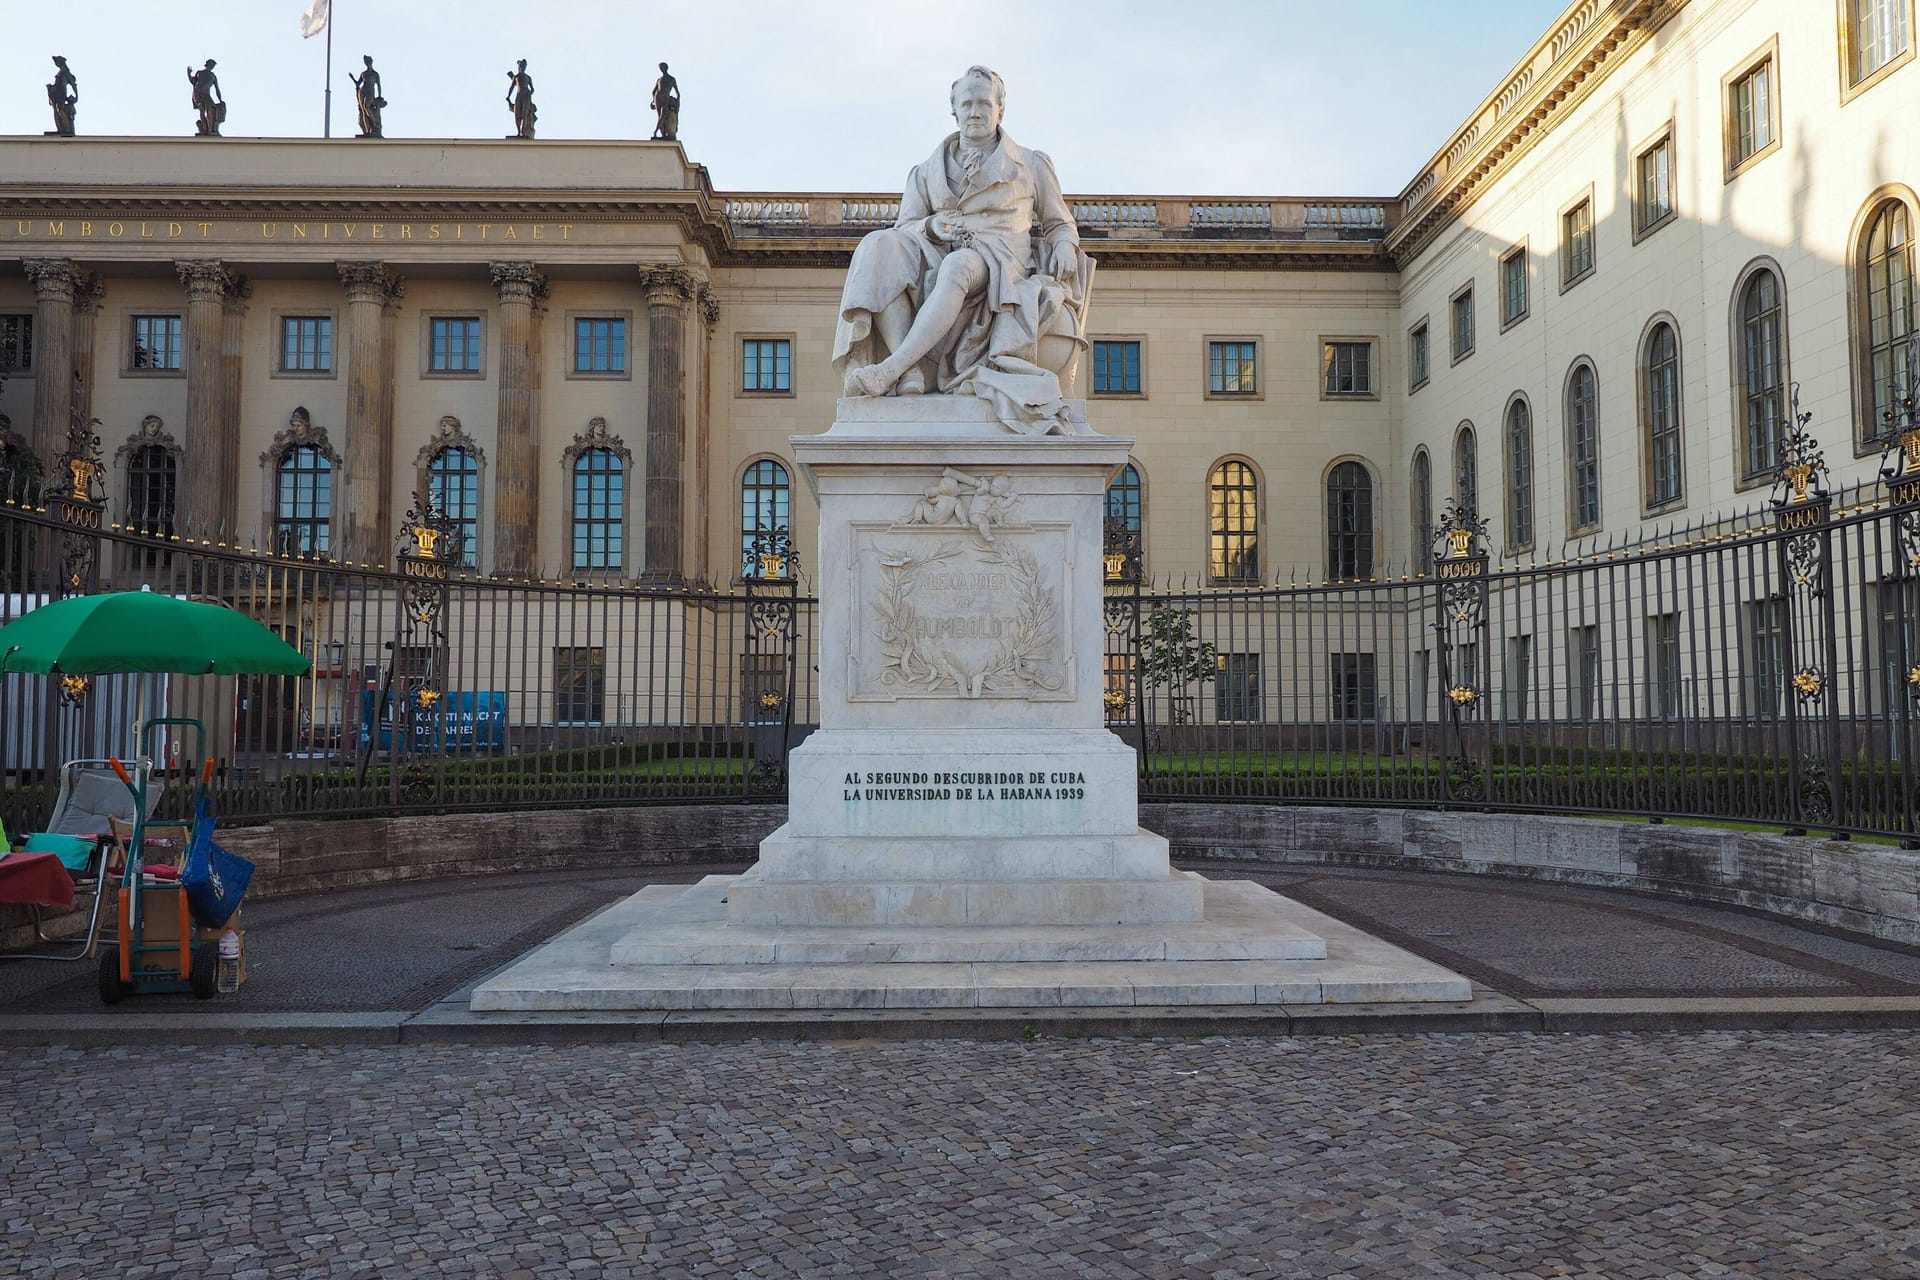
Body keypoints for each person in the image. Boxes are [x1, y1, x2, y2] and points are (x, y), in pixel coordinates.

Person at [832, 66, 1093, 435]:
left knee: (959, 265)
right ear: (953, 109)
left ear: (1000, 109)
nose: (975, 111)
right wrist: (929, 226)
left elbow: (1059, 222)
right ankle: (912, 372)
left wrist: (1066, 245)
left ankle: (893, 368)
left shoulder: (1032, 164)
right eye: (967, 103)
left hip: (1001, 262)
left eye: (984, 103)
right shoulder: (925, 172)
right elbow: (905, 226)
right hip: (938, 251)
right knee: (879, 247)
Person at [350, 55, 385, 139]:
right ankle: (367, 130)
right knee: (363, 110)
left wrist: (380, 96)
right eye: (365, 61)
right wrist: (353, 79)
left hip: (370, 91)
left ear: (371, 62)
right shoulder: (363, 73)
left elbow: (379, 85)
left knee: (366, 107)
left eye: (367, 61)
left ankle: (374, 124)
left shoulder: (375, 74)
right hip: (362, 91)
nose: (366, 63)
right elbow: (358, 83)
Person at [187, 59, 225, 136]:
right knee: (202, 110)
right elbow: (193, 82)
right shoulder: (199, 73)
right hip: (198, 93)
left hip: (206, 95)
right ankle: (205, 129)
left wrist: (220, 100)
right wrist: (188, 74)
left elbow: (217, 89)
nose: (212, 67)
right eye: (212, 65)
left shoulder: (213, 76)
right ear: (208, 65)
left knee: (210, 110)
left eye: (213, 66)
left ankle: (210, 129)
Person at [47, 56, 77, 136]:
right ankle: (60, 129)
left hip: (61, 93)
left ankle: (67, 129)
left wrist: (76, 96)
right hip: (55, 94)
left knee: (60, 109)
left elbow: (73, 85)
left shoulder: (66, 72)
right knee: (56, 111)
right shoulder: (60, 72)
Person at [506, 59, 536, 139]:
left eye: (523, 66)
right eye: (521, 66)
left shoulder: (528, 77)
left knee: (524, 114)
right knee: (517, 114)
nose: (522, 67)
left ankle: (522, 132)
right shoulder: (516, 76)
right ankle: (518, 132)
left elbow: (533, 89)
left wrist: (530, 93)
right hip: (519, 95)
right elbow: (511, 87)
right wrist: (508, 96)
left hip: (526, 95)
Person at [650, 62, 680, 141]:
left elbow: (677, 92)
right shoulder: (659, 80)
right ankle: (662, 134)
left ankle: (656, 132)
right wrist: (653, 101)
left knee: (663, 115)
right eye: (660, 68)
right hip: (658, 97)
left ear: (666, 68)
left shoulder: (671, 79)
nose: (661, 69)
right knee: (660, 115)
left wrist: (677, 102)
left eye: (662, 67)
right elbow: (654, 91)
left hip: (665, 98)